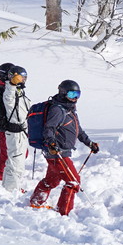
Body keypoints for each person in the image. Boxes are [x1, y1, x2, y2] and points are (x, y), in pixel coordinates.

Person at [29, 79, 100, 215]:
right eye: (72, 95)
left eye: (77, 95)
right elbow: (49, 128)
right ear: (62, 93)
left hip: (60, 152)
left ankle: (36, 202)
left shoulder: (70, 110)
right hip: (58, 153)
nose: (75, 99)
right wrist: (51, 143)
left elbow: (78, 130)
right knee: (73, 181)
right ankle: (64, 212)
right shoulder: (57, 110)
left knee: (51, 180)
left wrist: (89, 143)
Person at [0, 64, 31, 192]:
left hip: (21, 131)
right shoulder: (9, 91)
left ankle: (7, 188)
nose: (23, 80)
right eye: (21, 78)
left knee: (13, 161)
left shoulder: (19, 91)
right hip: (15, 132)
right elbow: (9, 97)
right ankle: (12, 191)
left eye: (25, 78)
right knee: (16, 165)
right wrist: (12, 83)